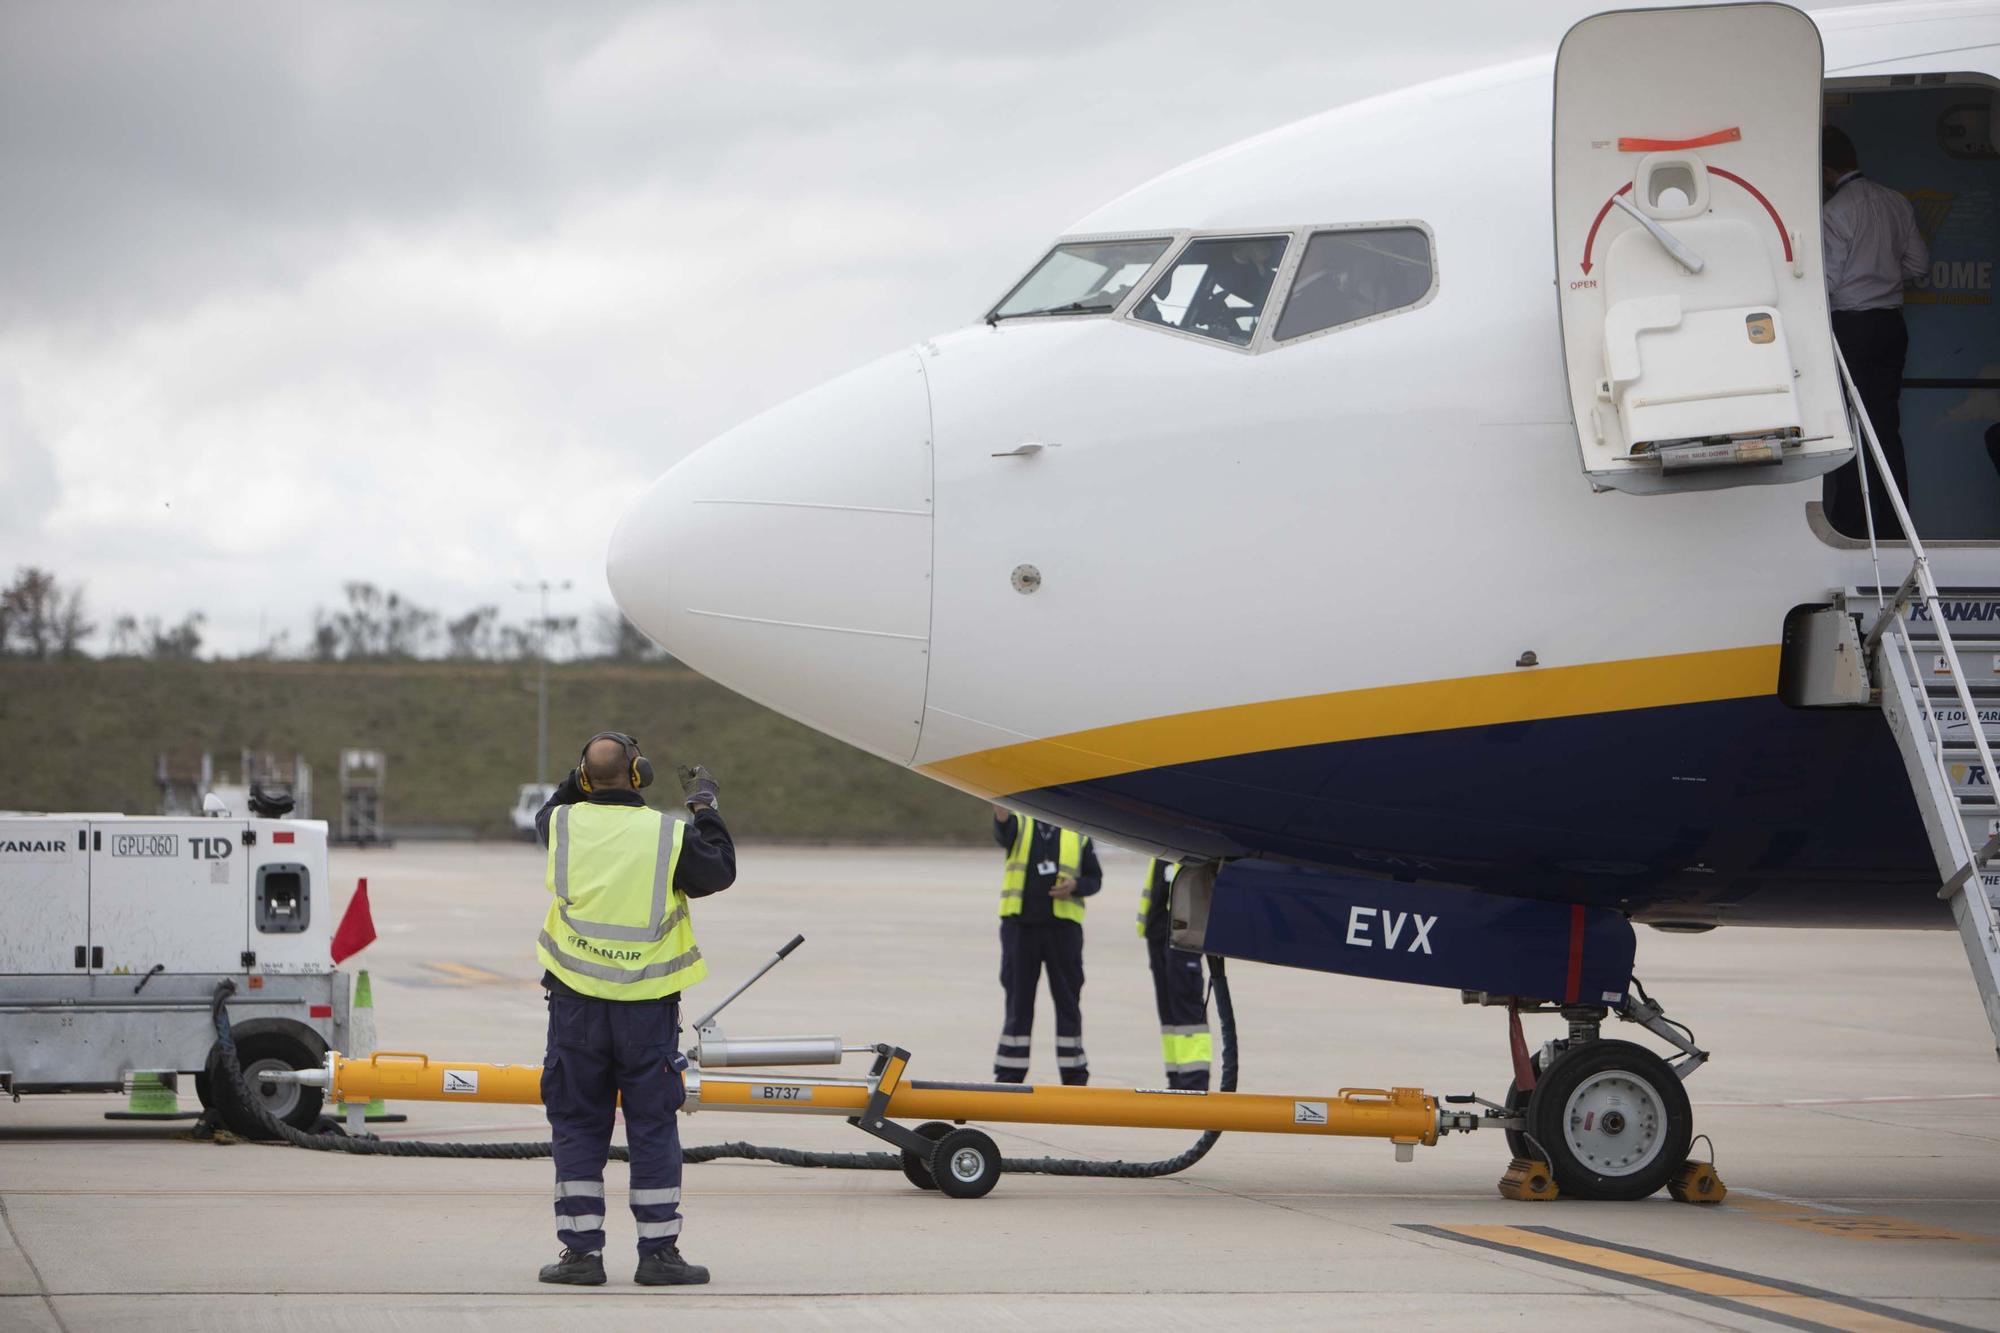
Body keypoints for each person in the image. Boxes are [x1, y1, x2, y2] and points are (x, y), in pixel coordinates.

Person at [532, 731, 734, 1289]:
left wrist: (580, 779)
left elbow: (554, 804)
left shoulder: (561, 825)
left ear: (583, 777)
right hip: (646, 1008)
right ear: (640, 773)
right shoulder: (668, 835)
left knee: (576, 1123)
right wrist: (706, 809)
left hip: (575, 1004)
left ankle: (580, 1256)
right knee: (650, 1125)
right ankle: (658, 1254)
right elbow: (718, 871)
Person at [1821, 125, 1930, 538]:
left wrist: (1858, 283)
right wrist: (1882, 277)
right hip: (1891, 325)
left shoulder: (1835, 212)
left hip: (1851, 326)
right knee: (1886, 426)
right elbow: (1919, 266)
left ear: (1828, 170)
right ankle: (1895, 526)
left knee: (1851, 427)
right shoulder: (1895, 201)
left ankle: (1852, 525)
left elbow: (1826, 282)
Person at [990, 805, 1101, 1084]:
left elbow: (1095, 878)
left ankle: (1074, 1073)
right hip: (1021, 928)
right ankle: (1009, 1074)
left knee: (1068, 1002)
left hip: (1063, 930)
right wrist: (999, 808)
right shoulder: (1021, 823)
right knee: (1018, 1002)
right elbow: (1003, 833)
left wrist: (1075, 886)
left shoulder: (1078, 832)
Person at [1137, 859, 1212, 1091]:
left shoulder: (1191, 846)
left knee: (1187, 1007)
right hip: (1158, 935)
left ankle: (1195, 1080)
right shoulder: (1161, 849)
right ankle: (1175, 1077)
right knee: (1168, 1013)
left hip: (1184, 937)